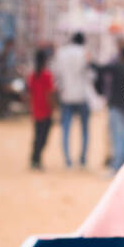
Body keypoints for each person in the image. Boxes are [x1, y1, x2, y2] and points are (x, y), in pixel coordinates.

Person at [94, 42, 124, 172]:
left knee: (117, 137)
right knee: (123, 137)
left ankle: (117, 166)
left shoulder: (117, 68)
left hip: (115, 107)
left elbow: (100, 69)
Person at [52, 32, 90, 168]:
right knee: (84, 129)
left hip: (66, 95)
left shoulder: (61, 53)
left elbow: (56, 74)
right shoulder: (85, 52)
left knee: (66, 129)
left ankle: (67, 159)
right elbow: (90, 74)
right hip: (81, 95)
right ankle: (82, 159)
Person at [27, 48, 56, 170]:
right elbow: (49, 93)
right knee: (43, 138)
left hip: (36, 110)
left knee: (37, 136)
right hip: (45, 110)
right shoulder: (46, 75)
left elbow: (29, 93)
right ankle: (36, 159)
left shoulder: (33, 75)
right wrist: (52, 108)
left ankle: (35, 159)